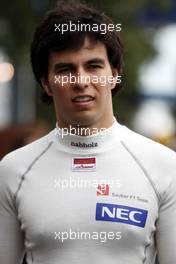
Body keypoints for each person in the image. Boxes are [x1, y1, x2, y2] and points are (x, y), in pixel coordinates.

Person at [0, 1, 176, 264]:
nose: (81, 81)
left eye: (93, 66)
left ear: (114, 75)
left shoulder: (164, 166)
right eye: (65, 69)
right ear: (46, 83)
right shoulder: (13, 171)